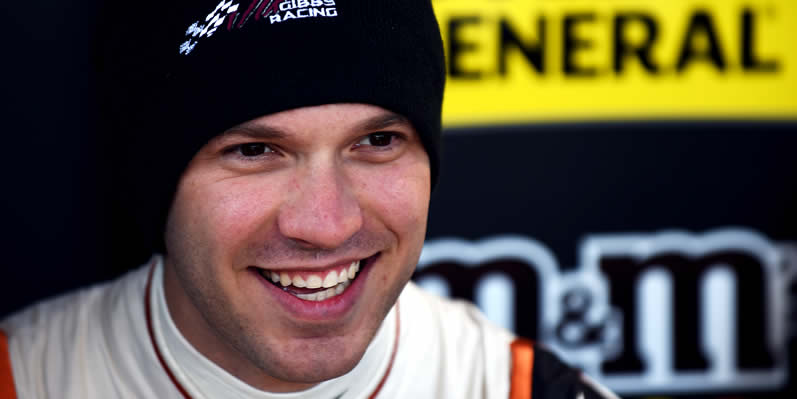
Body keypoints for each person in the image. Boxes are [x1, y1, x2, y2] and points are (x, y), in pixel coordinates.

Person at [0, 1, 618, 398]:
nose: (325, 225)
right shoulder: (22, 379)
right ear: (154, 185)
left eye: (376, 141)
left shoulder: (514, 388)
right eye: (254, 152)